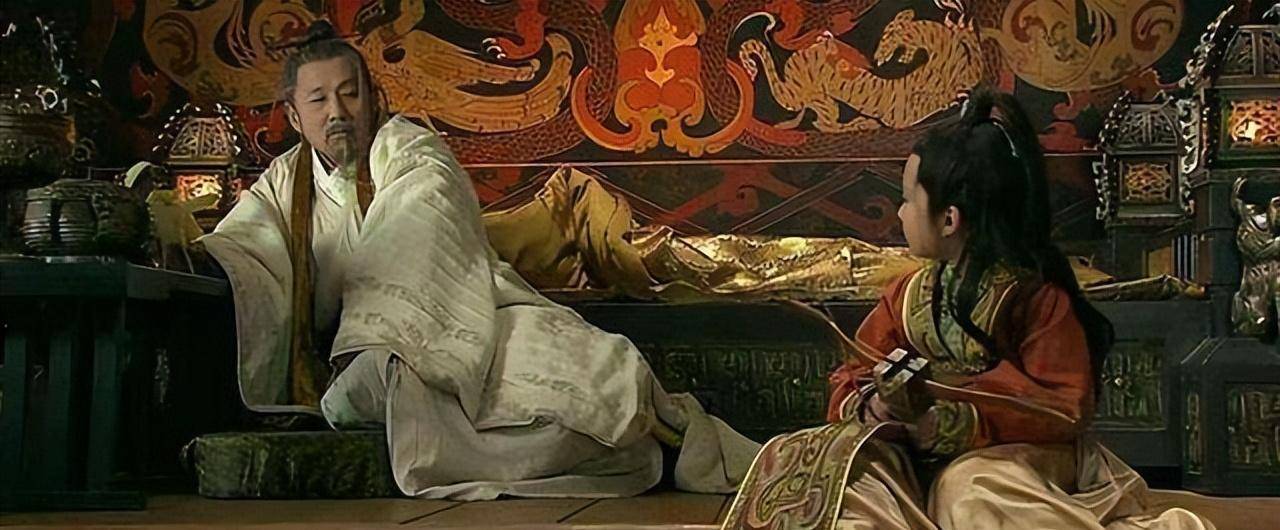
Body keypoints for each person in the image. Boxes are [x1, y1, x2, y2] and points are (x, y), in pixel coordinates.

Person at [199, 22, 757, 500]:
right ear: (295, 116)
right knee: (383, 382)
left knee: (598, 372)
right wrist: (189, 242)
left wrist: (392, 325)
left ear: (372, 97)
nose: (338, 113)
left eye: (350, 94)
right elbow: (245, 248)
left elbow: (423, 216)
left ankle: (656, 444)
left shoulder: (409, 149)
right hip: (359, 357)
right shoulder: (284, 183)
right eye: (318, 100)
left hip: (467, 316)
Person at [720, 89, 1215, 529]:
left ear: (950, 219)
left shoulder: (1036, 300)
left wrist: (954, 421)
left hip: (1017, 458)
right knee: (839, 477)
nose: (900, 213)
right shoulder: (908, 296)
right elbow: (854, 372)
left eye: (907, 200)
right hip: (918, 452)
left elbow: (1062, 408)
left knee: (971, 492)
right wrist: (879, 405)